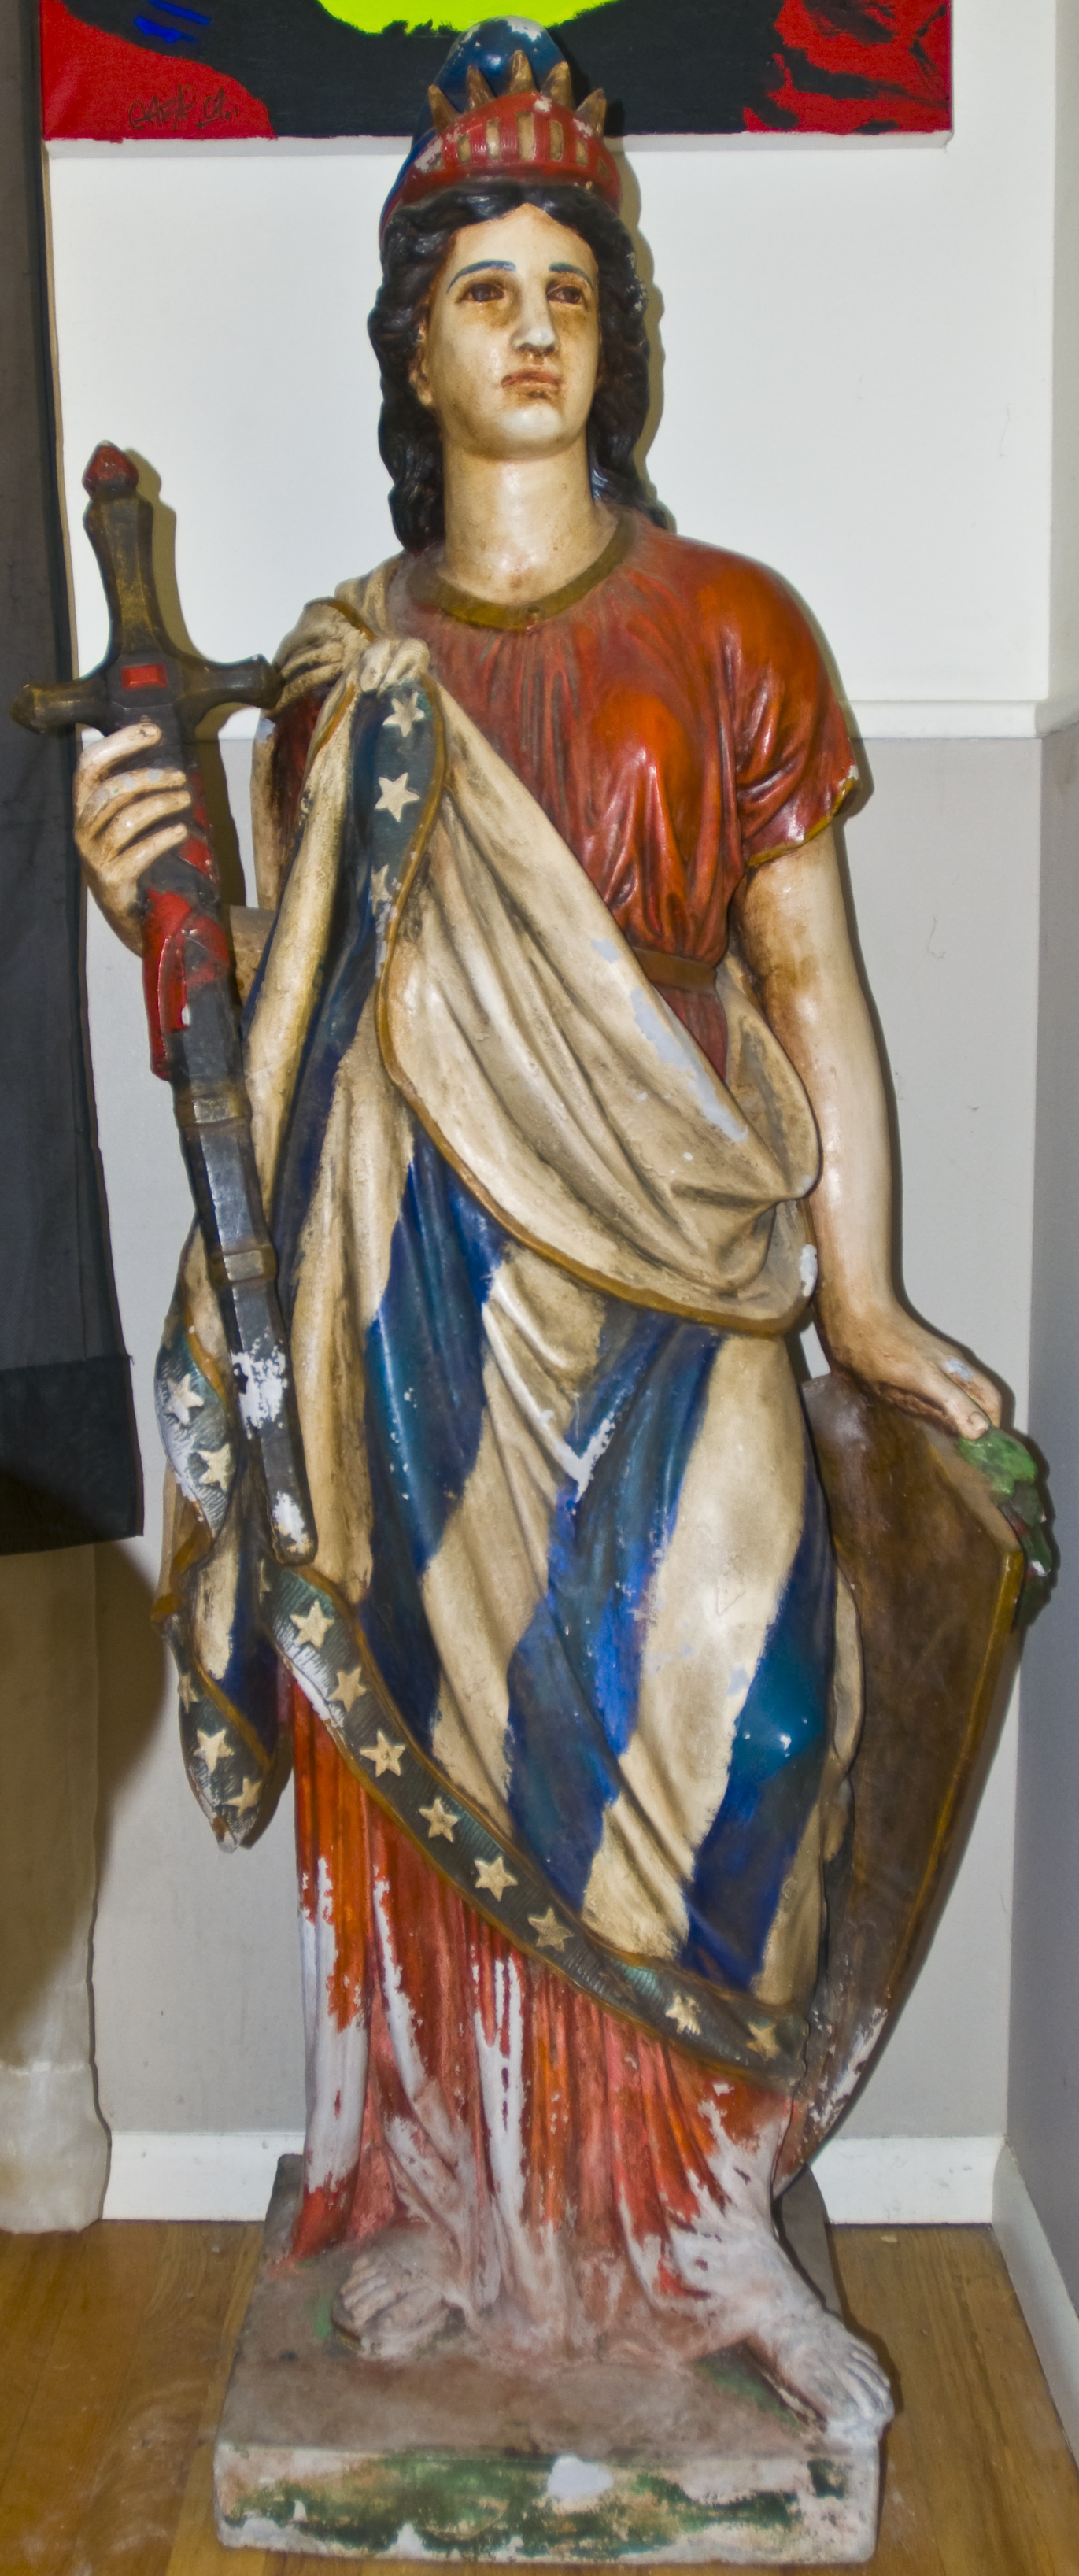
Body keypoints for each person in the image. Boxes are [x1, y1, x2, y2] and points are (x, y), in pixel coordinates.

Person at [73, 17, 1000, 2437]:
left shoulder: (732, 628)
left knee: (755, 1709)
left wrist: (865, 1302)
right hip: (412, 1279)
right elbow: (286, 1011)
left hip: (678, 1266)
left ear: (617, 334)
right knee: (427, 1755)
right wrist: (150, 885)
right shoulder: (341, 672)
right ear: (413, 347)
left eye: (567, 290)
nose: (529, 329)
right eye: (482, 289)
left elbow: (808, 987)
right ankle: (448, 2197)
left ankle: (698, 2223)